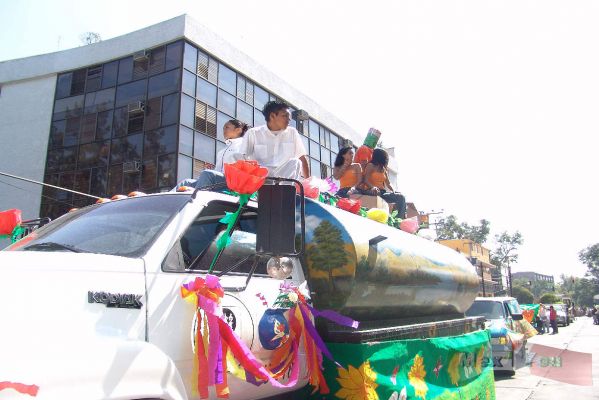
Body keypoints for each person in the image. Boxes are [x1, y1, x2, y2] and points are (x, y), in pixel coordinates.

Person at [237, 100, 309, 179]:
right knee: (234, 156)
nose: (289, 119)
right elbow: (242, 157)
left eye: (289, 117)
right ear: (272, 116)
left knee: (296, 162)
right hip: (260, 176)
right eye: (285, 116)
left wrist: (308, 182)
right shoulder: (253, 133)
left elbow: (302, 158)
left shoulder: (292, 132)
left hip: (283, 177)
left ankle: (285, 190)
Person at [175, 119, 249, 190]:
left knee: (207, 174)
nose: (224, 130)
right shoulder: (222, 151)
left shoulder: (243, 145)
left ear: (238, 130)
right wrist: (213, 169)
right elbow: (219, 171)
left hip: (234, 181)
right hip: (221, 180)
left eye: (227, 127)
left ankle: (195, 197)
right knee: (186, 182)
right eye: (223, 128)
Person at [357, 148, 406, 218]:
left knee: (401, 197)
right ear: (381, 157)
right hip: (371, 190)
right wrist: (373, 187)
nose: (387, 160)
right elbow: (365, 180)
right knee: (376, 192)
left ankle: (399, 219)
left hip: (382, 192)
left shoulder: (384, 170)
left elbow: (388, 183)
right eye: (386, 158)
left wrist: (393, 191)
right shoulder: (370, 165)